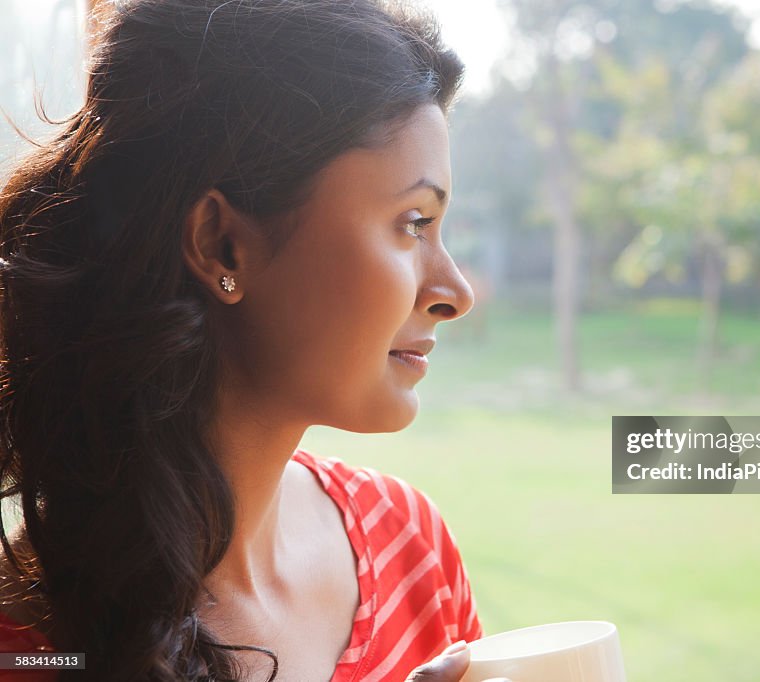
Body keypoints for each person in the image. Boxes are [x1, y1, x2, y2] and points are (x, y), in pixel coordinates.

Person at [0, 1, 506, 680]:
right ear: (222, 244)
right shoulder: (26, 641)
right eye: (413, 222)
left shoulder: (409, 544)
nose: (455, 292)